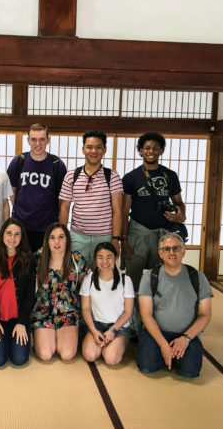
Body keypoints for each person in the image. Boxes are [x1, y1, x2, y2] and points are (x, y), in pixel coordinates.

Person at [136, 233, 212, 378]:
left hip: (187, 334)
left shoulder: (197, 277)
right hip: (157, 333)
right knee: (147, 367)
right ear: (160, 253)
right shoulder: (150, 277)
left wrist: (186, 339)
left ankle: (177, 354)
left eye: (176, 248)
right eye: (167, 249)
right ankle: (169, 354)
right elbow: (146, 314)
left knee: (190, 372)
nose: (172, 253)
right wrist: (163, 344)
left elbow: (205, 314)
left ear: (183, 252)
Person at [121, 132, 187, 293]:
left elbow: (179, 203)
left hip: (164, 233)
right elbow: (124, 210)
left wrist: (180, 215)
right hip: (138, 231)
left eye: (156, 148)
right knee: (133, 277)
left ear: (161, 151)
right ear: (141, 151)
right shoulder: (131, 177)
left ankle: (158, 314)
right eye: (147, 148)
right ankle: (134, 314)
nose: (151, 151)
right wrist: (124, 239)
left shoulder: (170, 175)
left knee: (161, 276)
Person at [59, 129, 123, 265]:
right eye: (89, 147)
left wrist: (116, 239)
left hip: (105, 237)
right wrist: (62, 235)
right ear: (83, 149)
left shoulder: (113, 176)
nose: (94, 151)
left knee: (101, 277)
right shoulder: (71, 175)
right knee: (75, 275)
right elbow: (64, 208)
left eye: (98, 147)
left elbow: (118, 211)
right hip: (77, 236)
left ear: (104, 150)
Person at [0, 218, 36, 367]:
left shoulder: (29, 260)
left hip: (18, 319)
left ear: (21, 237)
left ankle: (10, 340)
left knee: (19, 359)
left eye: (17, 234)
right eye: (9, 233)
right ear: (2, 235)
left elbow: (30, 297)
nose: (12, 238)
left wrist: (22, 322)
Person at [7, 124, 67, 252]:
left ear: (48, 140)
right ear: (28, 140)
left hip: (47, 229)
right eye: (33, 139)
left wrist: (61, 228)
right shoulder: (18, 162)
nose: (38, 144)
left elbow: (63, 199)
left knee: (43, 268)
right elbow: (11, 191)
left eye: (42, 139)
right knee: (22, 267)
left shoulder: (57, 165)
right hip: (21, 228)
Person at [31, 223, 86, 361]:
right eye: (52, 237)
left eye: (61, 237)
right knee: (45, 355)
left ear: (67, 239)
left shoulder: (76, 259)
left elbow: (86, 287)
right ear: (47, 241)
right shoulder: (39, 256)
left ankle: (62, 334)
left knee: (67, 355)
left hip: (68, 310)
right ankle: (46, 335)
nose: (57, 242)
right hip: (43, 310)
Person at [80, 242, 134, 366]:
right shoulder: (89, 279)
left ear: (115, 258)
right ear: (95, 259)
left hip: (119, 328)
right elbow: (86, 308)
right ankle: (105, 345)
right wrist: (93, 331)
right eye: (100, 257)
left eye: (109, 257)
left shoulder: (126, 280)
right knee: (89, 355)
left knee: (111, 359)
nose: (105, 261)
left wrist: (113, 330)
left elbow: (128, 312)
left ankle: (116, 344)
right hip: (97, 326)